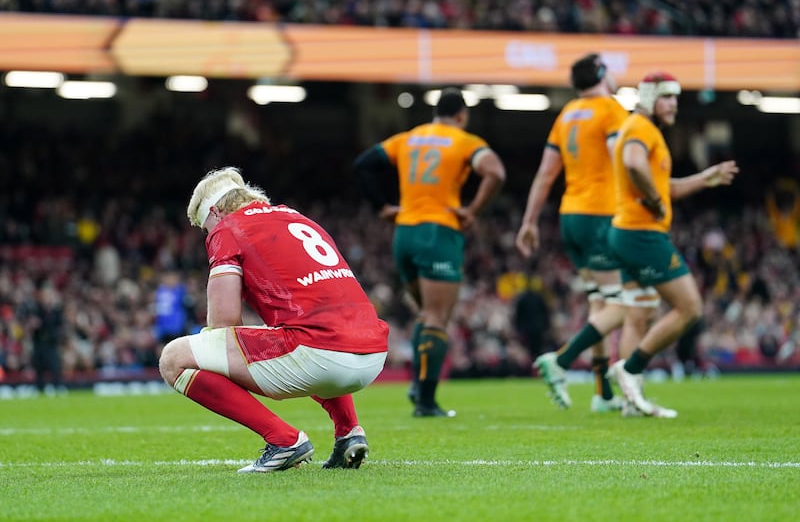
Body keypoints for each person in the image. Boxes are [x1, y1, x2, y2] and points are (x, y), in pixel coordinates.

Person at [158, 167, 389, 473]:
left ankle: (283, 440)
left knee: (174, 359)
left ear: (215, 211)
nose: (207, 234)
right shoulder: (299, 218)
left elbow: (225, 321)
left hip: (320, 354)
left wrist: (214, 341)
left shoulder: (227, 229)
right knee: (306, 330)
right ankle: (348, 431)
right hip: (373, 351)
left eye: (205, 226)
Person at [558, 71, 738, 417]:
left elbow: (665, 186)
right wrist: (654, 200)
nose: (673, 104)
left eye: (675, 97)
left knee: (639, 313)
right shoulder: (642, 128)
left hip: (626, 231)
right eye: (667, 97)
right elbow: (634, 164)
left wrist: (705, 179)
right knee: (690, 308)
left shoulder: (639, 128)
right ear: (650, 98)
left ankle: (630, 400)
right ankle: (630, 369)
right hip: (641, 233)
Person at [354, 87, 506, 417]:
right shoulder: (465, 141)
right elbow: (495, 172)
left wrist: (382, 206)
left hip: (404, 233)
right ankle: (426, 401)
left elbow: (363, 164)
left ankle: (416, 385)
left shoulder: (409, 138)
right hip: (439, 231)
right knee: (438, 318)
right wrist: (473, 210)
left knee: (426, 313)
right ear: (462, 116)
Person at [515, 53, 631, 412]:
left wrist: (530, 221)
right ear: (600, 74)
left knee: (598, 302)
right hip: (602, 215)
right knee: (622, 305)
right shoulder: (611, 109)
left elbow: (546, 174)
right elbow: (623, 159)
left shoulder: (566, 115)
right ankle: (561, 361)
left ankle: (602, 393)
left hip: (571, 216)